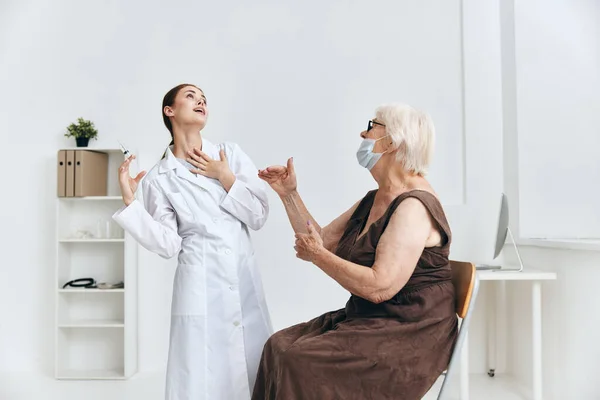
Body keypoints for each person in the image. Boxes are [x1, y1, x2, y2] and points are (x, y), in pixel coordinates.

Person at [253, 103, 458, 400]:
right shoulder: (376, 197)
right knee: (279, 345)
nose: (363, 132)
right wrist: (289, 195)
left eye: (372, 125)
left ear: (390, 142)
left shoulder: (414, 206)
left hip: (410, 328)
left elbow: (379, 287)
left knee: (299, 360)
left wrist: (319, 256)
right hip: (370, 316)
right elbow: (320, 238)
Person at [112, 83, 273, 400]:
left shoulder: (230, 154)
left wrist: (224, 176)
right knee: (201, 374)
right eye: (190, 96)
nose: (201, 100)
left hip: (240, 279)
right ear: (168, 111)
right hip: (199, 285)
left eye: (204, 98)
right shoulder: (160, 176)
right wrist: (132, 204)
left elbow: (257, 215)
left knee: (252, 366)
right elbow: (168, 244)